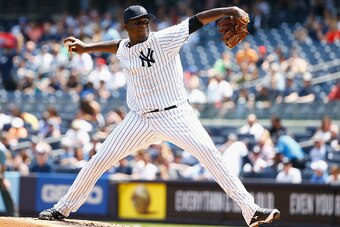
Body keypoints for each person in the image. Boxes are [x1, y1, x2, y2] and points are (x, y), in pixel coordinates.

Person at [38, 5, 280, 227]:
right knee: (99, 160)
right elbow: (118, 46)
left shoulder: (165, 39)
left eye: (145, 20)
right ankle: (62, 208)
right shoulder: (125, 48)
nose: (143, 23)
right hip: (139, 119)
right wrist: (86, 47)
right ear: (127, 27)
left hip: (176, 115)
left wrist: (230, 9)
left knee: (211, 155)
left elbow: (196, 20)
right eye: (137, 21)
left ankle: (251, 210)